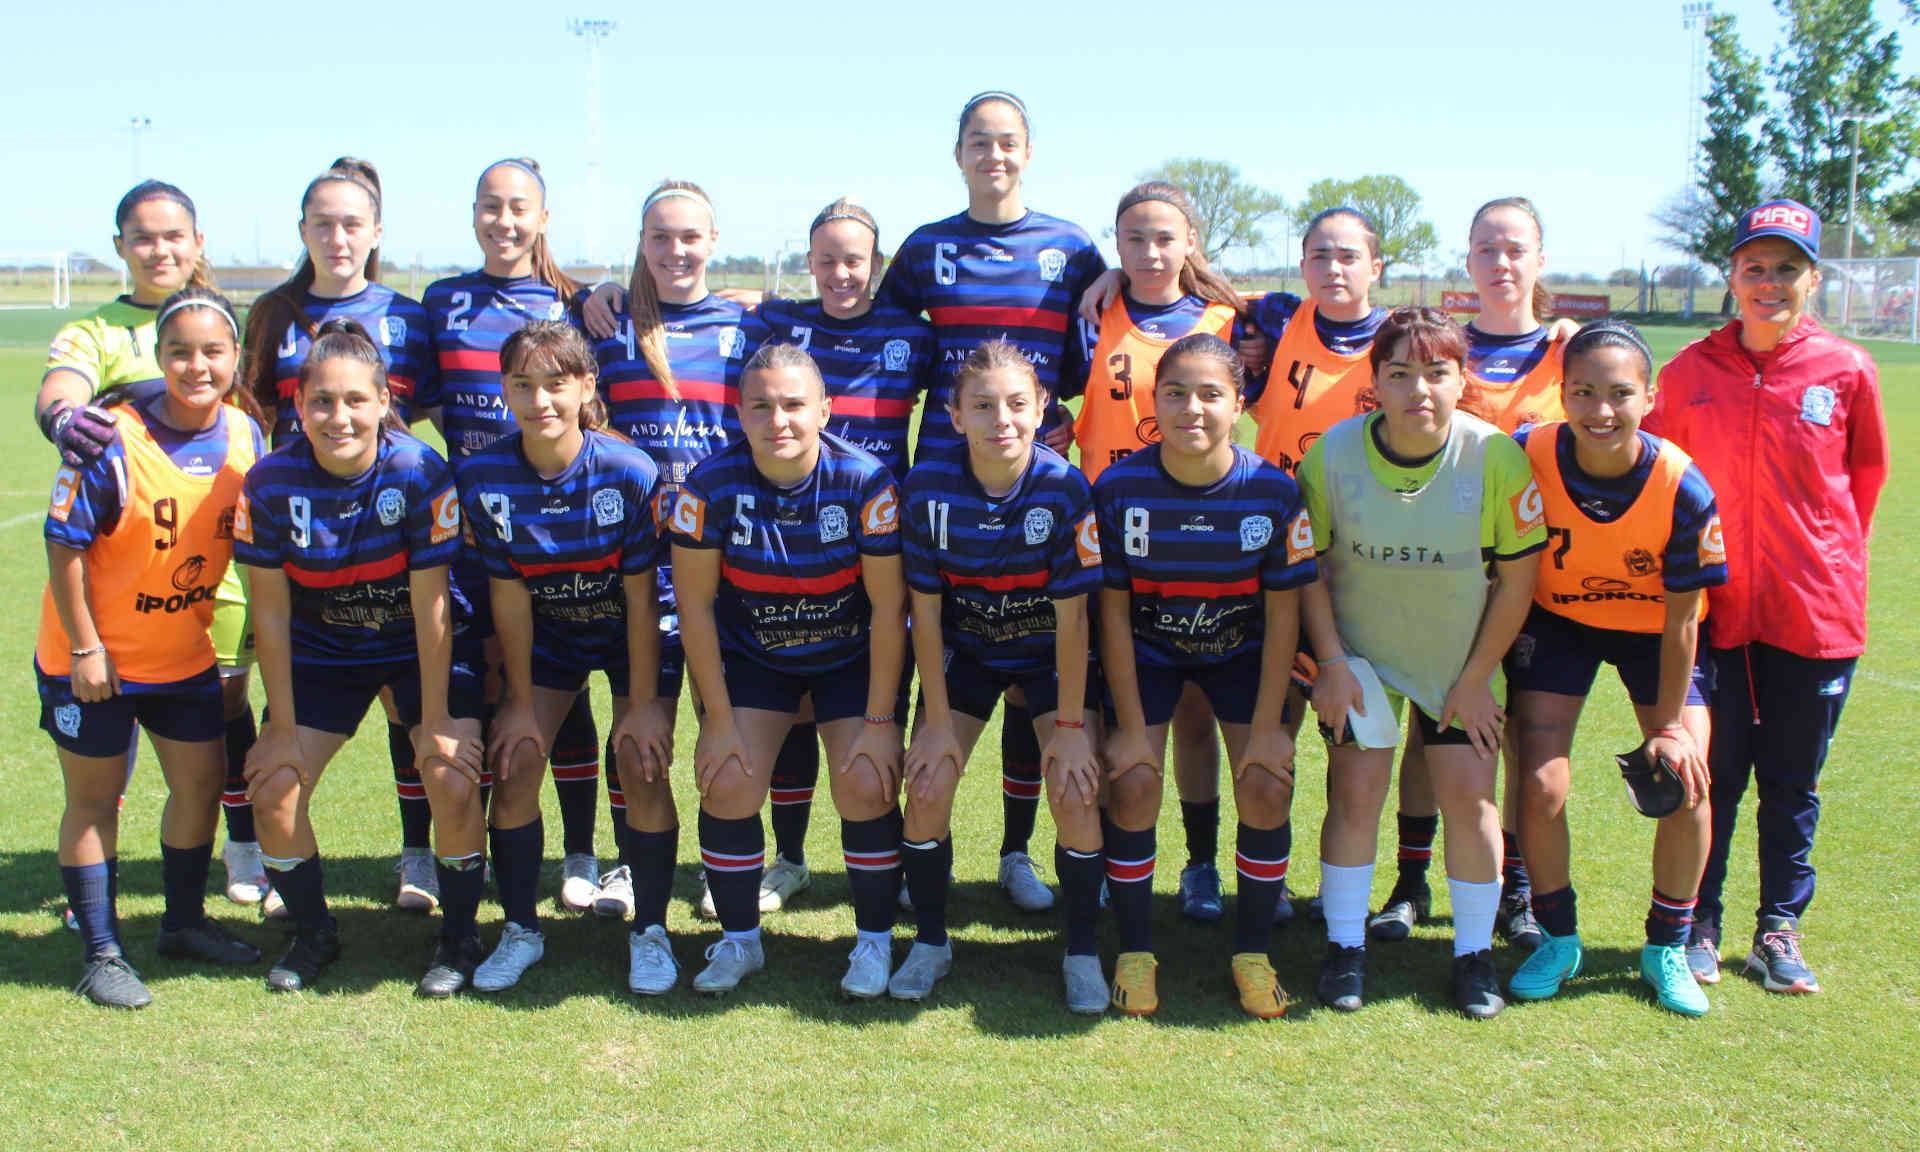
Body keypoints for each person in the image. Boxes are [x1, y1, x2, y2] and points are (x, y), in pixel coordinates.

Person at [1645, 198, 1887, 994]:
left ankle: (1778, 929)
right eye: (1755, 267)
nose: (1769, 283)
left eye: (1787, 269)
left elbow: (1864, 481)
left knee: (1792, 782)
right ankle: (1701, 924)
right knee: (1712, 774)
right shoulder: (1686, 375)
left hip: (1813, 614)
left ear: (1813, 280)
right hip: (1710, 615)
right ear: (1733, 277)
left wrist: (1832, 564)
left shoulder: (1846, 369)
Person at [879, 90, 1107, 910]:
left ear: (1029, 151)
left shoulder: (1073, 247)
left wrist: (1117, 273)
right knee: (945, 648)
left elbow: (1091, 353)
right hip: (944, 491)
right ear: (959, 153)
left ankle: (1016, 852)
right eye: (980, 141)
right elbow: (877, 337)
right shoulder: (925, 249)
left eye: (1008, 141)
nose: (995, 155)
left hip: (1033, 489)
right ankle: (918, 851)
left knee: (1035, 651)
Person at [1301, 307, 1545, 1020]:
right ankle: (1345, 946)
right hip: (1362, 658)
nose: (1420, 391)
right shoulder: (1334, 454)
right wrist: (1332, 662)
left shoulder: (1494, 456)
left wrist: (1474, 680)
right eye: (1400, 374)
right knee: (1354, 798)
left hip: (1456, 659)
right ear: (1373, 381)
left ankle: (1473, 956)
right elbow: (1309, 569)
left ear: (1462, 378)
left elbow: (1520, 581)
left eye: (1437, 373)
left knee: (1471, 804)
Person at [33, 181, 268, 912]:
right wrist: (66, 417)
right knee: (112, 740)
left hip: (220, 574)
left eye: (174, 237)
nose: (160, 250)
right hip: (128, 565)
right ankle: (95, 888)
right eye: (143, 237)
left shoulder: (231, 325)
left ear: (199, 243)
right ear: (120, 248)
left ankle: (241, 855)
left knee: (219, 732)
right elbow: (58, 392)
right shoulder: (95, 332)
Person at [236, 318, 481, 994]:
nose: (338, 417)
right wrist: (281, 727)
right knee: (275, 792)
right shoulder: (268, 484)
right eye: (322, 401)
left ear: (383, 404)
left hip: (411, 645)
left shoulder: (418, 469)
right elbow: (273, 611)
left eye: (354, 401)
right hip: (325, 652)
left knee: (451, 774)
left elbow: (432, 603)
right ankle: (315, 932)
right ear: (299, 404)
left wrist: (434, 718)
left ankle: (460, 937)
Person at [669, 343, 908, 997]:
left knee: (867, 781)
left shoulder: (866, 482)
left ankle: (874, 943)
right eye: (762, 405)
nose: (779, 419)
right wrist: (716, 721)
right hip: (757, 659)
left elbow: (891, 610)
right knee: (726, 782)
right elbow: (692, 607)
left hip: (849, 658)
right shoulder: (708, 486)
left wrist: (883, 720)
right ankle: (740, 942)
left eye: (795, 404)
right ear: (739, 414)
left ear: (825, 409)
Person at [1503, 321, 1725, 1017]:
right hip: (1557, 621)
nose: (1601, 410)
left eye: (1620, 393)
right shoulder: (1525, 453)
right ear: (1561, 393)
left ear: (1650, 396)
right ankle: (1557, 937)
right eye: (1585, 392)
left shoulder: (1681, 485)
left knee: (1687, 779)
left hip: (1655, 631)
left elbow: (1684, 617)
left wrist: (1665, 726)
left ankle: (1667, 945)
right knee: (1539, 784)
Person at [241, 158, 444, 915]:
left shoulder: (408, 314)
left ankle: (418, 853)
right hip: (299, 536)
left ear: (376, 231)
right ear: (302, 231)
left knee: (412, 701)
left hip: (388, 531)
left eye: (352, 222)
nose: (337, 236)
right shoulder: (271, 314)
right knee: (281, 686)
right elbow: (250, 420)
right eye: (322, 223)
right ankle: (262, 857)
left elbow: (435, 421)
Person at [1377, 197, 1578, 949]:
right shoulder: (1445, 347)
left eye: (1515, 249)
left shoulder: (1569, 353)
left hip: (1541, 581)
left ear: (1539, 260)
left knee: (1525, 740)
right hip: (1441, 579)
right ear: (1468, 260)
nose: (1501, 263)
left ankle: (1517, 889)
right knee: (1432, 735)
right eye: (1487, 250)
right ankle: (1411, 879)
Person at [1096, 333, 1315, 1018]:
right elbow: (1112, 617)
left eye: (1210, 393)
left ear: (1239, 404)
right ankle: (1134, 951)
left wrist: (1276, 728)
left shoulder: (1274, 494)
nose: (1192, 408)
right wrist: (1131, 729)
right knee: (1131, 781)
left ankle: (1251, 952)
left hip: (1240, 657)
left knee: (1266, 783)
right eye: (1175, 393)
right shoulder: (1118, 488)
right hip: (1149, 654)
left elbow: (1284, 621)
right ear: (1153, 402)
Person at [416, 157, 608, 915]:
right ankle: (456, 851)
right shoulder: (442, 301)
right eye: (490, 207)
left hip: (559, 533)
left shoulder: (579, 301)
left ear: (543, 217)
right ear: (473, 215)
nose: (505, 220)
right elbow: (423, 404)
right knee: (494, 691)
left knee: (564, 688)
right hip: (474, 538)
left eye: (519, 207)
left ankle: (584, 852)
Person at [736, 198, 936, 914]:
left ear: (877, 265)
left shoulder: (912, 336)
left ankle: (896, 863)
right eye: (827, 258)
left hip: (878, 546)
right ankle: (786, 860)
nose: (841, 272)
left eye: (855, 259)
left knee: (881, 707)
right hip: (790, 540)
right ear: (810, 260)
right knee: (791, 712)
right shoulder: (774, 326)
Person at [459, 320, 670, 994]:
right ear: (503, 390)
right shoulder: (484, 475)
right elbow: (510, 597)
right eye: (523, 384)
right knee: (515, 762)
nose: (540, 400)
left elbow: (641, 602)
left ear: (586, 387)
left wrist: (639, 707)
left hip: (629, 630)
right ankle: (520, 929)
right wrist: (519, 703)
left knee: (640, 764)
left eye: (557, 383)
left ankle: (652, 932)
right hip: (549, 634)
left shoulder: (629, 471)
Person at [897, 339, 1104, 1009]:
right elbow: (924, 615)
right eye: (982, 406)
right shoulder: (929, 485)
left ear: (1043, 406)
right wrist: (932, 725)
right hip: (969, 651)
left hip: (1048, 652)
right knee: (927, 783)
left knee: (1075, 790)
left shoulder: (1065, 487)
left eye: (1018, 404)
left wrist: (1071, 728)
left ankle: (1080, 954)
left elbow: (1074, 623)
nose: (1002, 421)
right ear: (954, 415)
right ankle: (931, 941)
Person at [1072, 181, 1243, 923]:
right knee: (1115, 705)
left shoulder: (1228, 320)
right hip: (1106, 533)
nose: (1149, 252)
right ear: (1116, 244)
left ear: (1190, 244)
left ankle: (1200, 864)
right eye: (1133, 239)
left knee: (1197, 713)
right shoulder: (1090, 311)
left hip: (1199, 538)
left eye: (1164, 238)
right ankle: (1117, 857)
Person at [583, 179, 745, 925]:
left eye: (690, 237)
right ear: (641, 243)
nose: (676, 250)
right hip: (635, 560)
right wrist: (597, 289)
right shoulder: (607, 327)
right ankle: (629, 859)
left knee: (723, 721)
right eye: (660, 237)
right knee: (636, 722)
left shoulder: (750, 328)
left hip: (721, 560)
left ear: (712, 241)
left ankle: (720, 865)